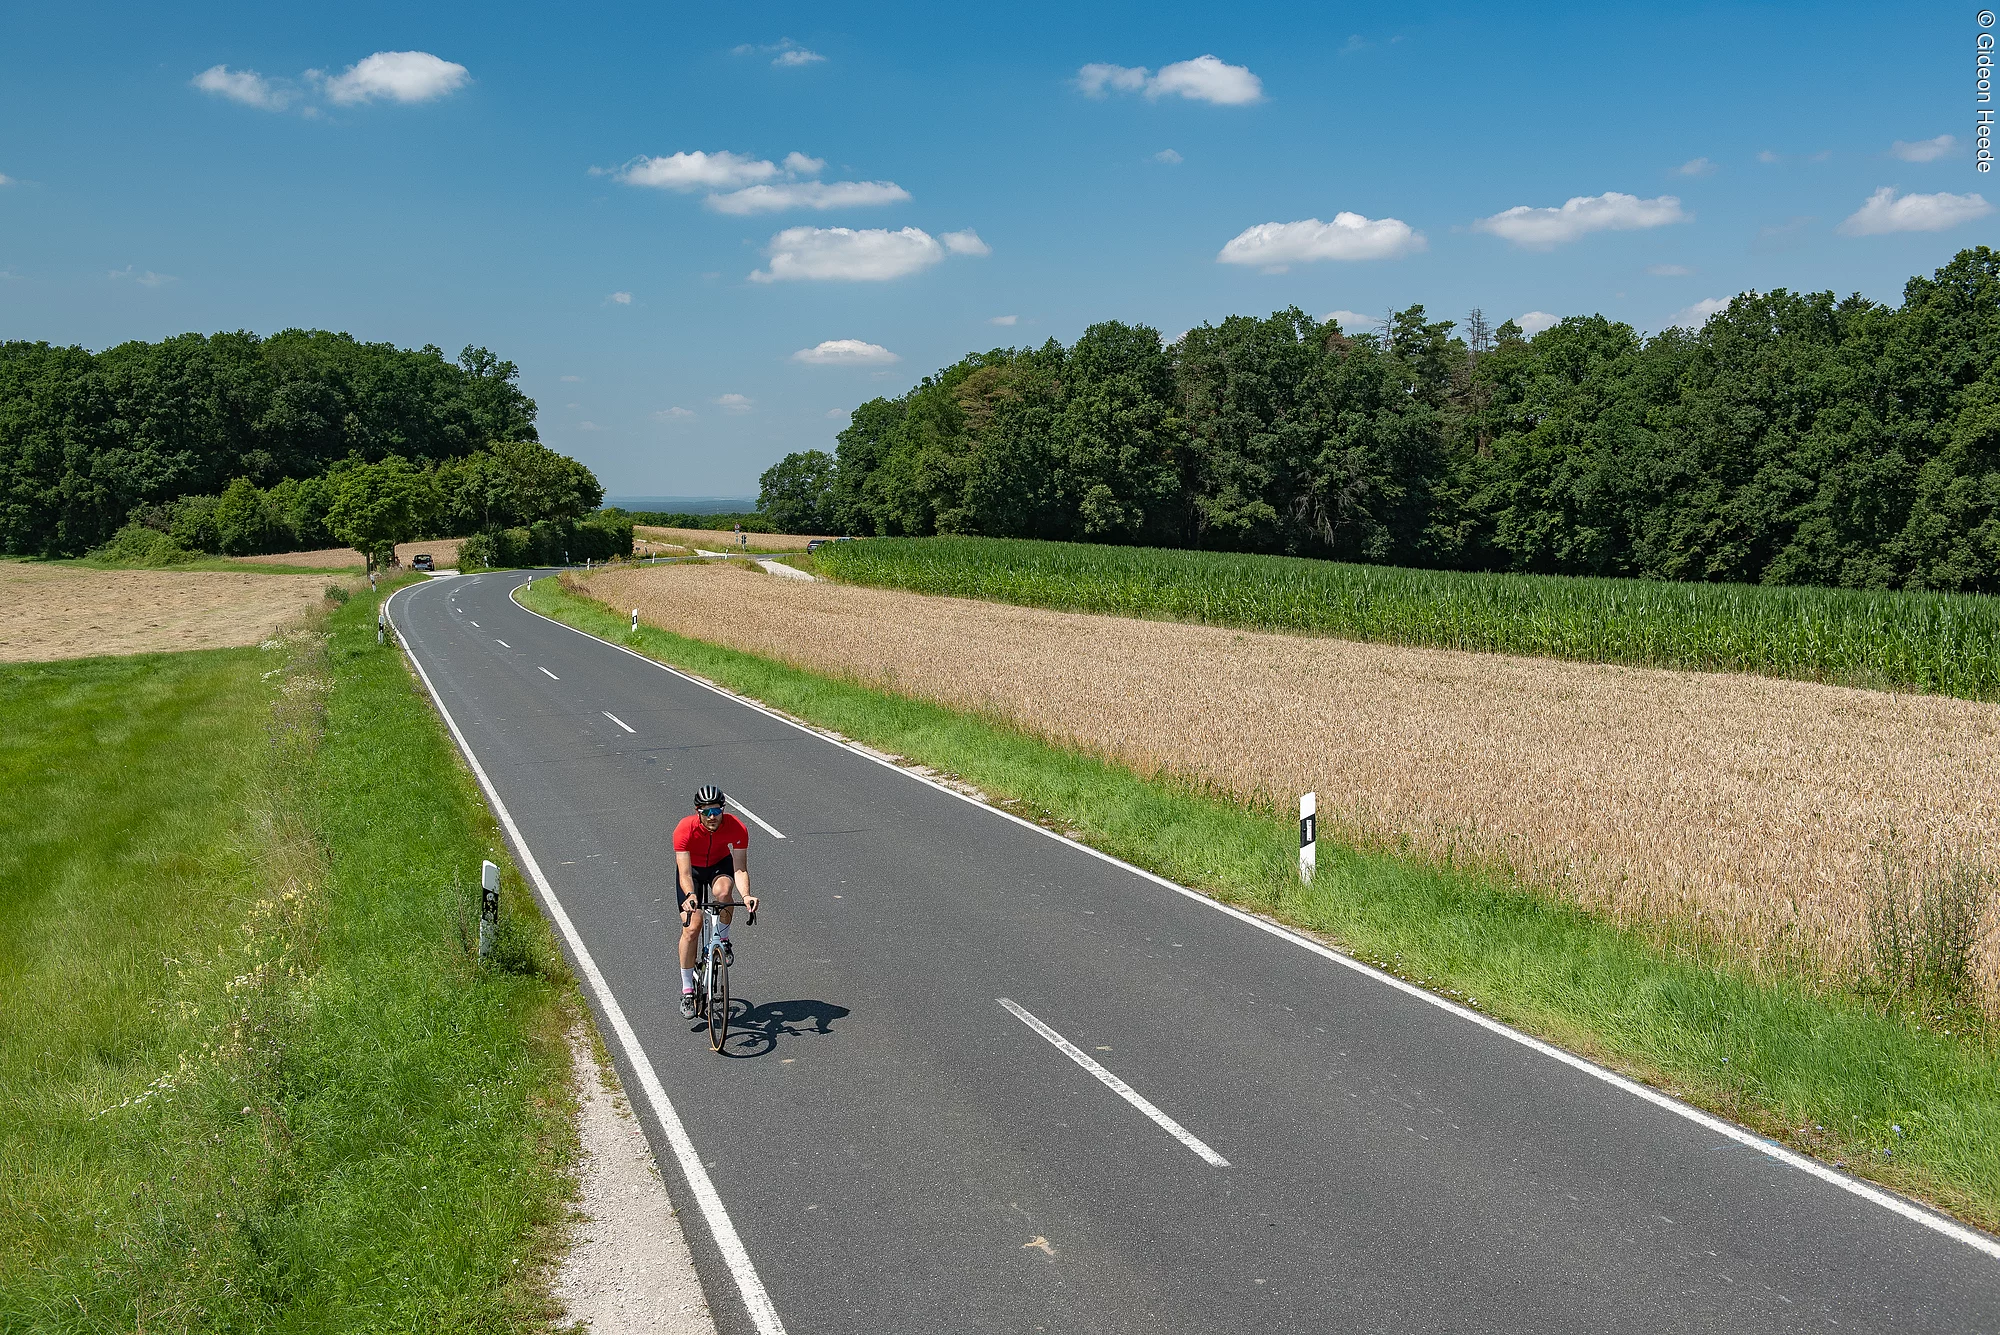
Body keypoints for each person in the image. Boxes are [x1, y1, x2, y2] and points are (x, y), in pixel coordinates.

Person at [673, 784, 757, 1018]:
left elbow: (740, 869)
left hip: (719, 865)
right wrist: (690, 896)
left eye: (717, 811)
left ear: (723, 810)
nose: (712, 817)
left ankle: (724, 939)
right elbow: (684, 874)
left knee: (723, 893)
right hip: (693, 871)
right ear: (698, 812)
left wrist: (746, 896)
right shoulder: (684, 829)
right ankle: (687, 990)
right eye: (707, 812)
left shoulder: (737, 827)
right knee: (692, 927)